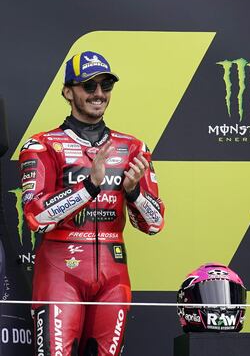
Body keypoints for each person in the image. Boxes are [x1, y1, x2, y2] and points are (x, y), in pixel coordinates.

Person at [19, 51, 164, 356]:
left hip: (114, 274)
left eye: (105, 85)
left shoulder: (133, 147)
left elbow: (154, 224)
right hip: (59, 272)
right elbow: (35, 217)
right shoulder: (42, 145)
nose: (99, 93)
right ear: (67, 92)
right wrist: (89, 186)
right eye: (89, 86)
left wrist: (133, 192)